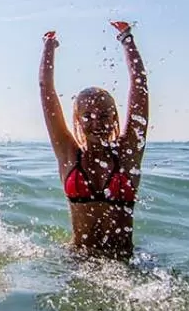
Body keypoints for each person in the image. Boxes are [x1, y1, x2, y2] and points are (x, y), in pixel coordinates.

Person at [39, 20, 148, 260]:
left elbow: (140, 88)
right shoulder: (69, 154)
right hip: (78, 259)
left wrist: (127, 39)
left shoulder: (127, 153)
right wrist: (49, 47)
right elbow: (46, 89)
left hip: (124, 259)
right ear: (77, 119)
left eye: (104, 115)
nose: (96, 121)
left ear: (114, 117)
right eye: (87, 115)